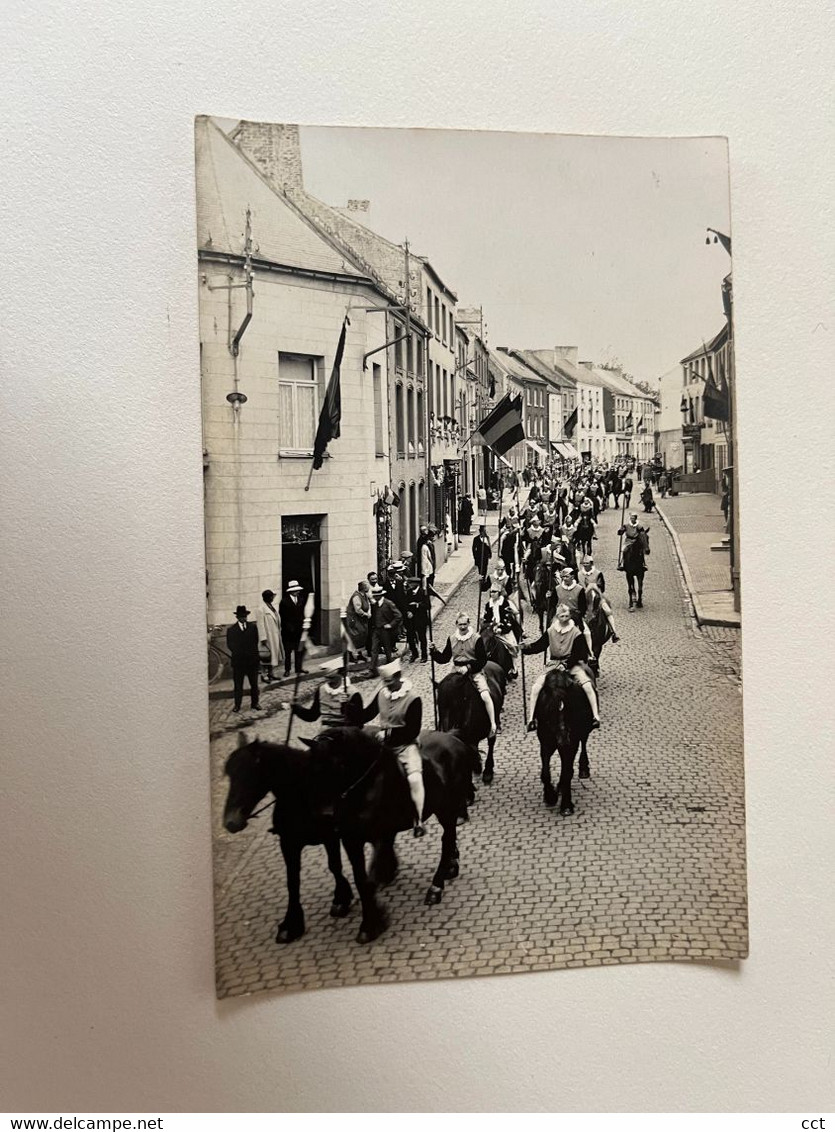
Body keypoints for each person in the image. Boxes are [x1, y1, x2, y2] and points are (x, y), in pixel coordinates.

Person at [359, 658, 426, 836]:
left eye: (389, 682)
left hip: (405, 746)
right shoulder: (382, 693)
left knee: (414, 778)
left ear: (398, 677)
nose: (386, 685)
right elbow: (366, 715)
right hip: (384, 746)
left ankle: (418, 819)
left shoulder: (413, 698)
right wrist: (349, 707)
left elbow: (413, 730)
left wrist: (389, 734)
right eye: (384, 682)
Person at [523, 603, 600, 731]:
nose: (565, 618)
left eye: (567, 616)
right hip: (553, 664)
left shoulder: (576, 633)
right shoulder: (551, 631)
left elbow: (578, 653)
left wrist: (566, 665)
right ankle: (532, 719)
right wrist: (526, 648)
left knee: (587, 685)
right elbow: (540, 645)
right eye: (562, 616)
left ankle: (595, 716)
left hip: (572, 665)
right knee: (536, 687)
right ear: (557, 617)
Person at [431, 612, 497, 737]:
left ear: (469, 624)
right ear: (456, 624)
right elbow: (444, 658)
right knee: (442, 691)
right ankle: (442, 724)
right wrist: (434, 651)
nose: (462, 627)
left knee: (485, 695)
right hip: (455, 671)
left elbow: (482, 660)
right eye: (460, 624)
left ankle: (492, 724)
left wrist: (469, 667)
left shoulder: (476, 638)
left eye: (465, 624)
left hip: (474, 671)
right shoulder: (451, 639)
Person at [290, 658, 358, 729]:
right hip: (326, 733)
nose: (328, 681)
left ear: (342, 675)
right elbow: (312, 715)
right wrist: (296, 707)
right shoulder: (322, 690)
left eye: (332, 678)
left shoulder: (352, 692)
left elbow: (358, 720)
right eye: (327, 678)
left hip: (347, 733)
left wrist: (346, 706)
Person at [226, 604, 261, 712]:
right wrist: (240, 653)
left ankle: (255, 703)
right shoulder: (231, 630)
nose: (243, 618)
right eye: (241, 616)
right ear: (237, 617)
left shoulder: (252, 627)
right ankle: (237, 705)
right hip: (239, 662)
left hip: (252, 661)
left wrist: (252, 655)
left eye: (245, 616)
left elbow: (255, 641)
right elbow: (230, 645)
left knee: (254, 684)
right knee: (238, 685)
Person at [482, 584, 521, 678]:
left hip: (504, 630)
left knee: (512, 647)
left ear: (499, 593)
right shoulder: (488, 604)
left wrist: (501, 628)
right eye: (491, 592)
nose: (492, 594)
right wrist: (490, 625)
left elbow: (507, 618)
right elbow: (487, 618)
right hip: (491, 630)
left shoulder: (505, 603)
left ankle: (513, 668)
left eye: (494, 592)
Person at [368, 583, 403, 674]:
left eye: (376, 596)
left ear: (380, 595)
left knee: (388, 649)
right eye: (374, 596)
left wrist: (391, 625)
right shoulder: (375, 605)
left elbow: (398, 615)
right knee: (374, 649)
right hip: (376, 630)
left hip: (386, 631)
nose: (374, 598)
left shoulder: (388, 603)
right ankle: (372, 670)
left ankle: (391, 669)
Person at [278, 580, 308, 678]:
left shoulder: (301, 599)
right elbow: (283, 617)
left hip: (299, 631)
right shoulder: (284, 602)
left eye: (298, 590)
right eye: (295, 590)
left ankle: (298, 668)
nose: (297, 592)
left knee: (299, 650)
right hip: (288, 632)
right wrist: (289, 627)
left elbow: (303, 614)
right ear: (291, 591)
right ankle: (287, 669)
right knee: (288, 652)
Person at [256, 589, 283, 683]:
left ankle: (271, 673)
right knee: (265, 656)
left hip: (274, 635)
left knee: (273, 656)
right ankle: (264, 675)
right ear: (266, 597)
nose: (272, 598)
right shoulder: (261, 609)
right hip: (268, 636)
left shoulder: (271, 607)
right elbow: (260, 624)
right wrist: (263, 637)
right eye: (271, 596)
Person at [344, 580, 372, 663]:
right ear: (363, 588)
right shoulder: (356, 596)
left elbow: (368, 604)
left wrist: (369, 612)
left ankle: (360, 654)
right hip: (355, 620)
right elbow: (358, 609)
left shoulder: (364, 595)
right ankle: (350, 656)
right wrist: (366, 614)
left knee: (361, 636)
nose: (369, 587)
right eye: (367, 586)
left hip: (361, 620)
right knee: (354, 637)